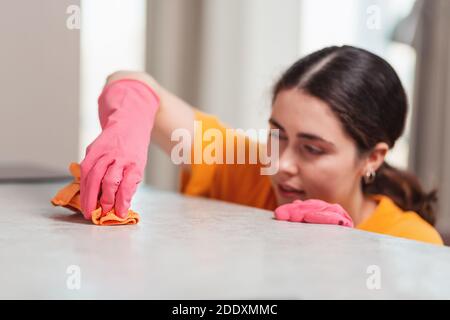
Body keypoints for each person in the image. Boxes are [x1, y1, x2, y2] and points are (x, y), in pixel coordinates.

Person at [80, 45, 443, 245]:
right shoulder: (245, 168)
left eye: (312, 149)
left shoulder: (410, 242)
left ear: (373, 158)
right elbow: (129, 79)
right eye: (277, 136)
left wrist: (340, 259)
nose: (281, 163)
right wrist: (128, 122)